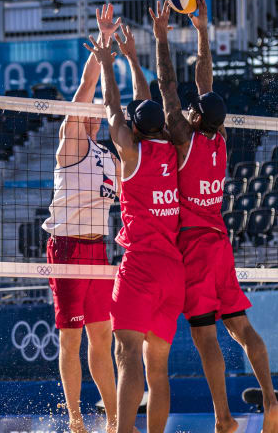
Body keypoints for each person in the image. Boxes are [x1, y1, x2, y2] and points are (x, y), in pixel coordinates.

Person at [151, 0, 278, 433]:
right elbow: (203, 85)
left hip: (194, 248)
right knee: (242, 328)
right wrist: (203, 31)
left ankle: (224, 418)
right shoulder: (219, 138)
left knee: (206, 336)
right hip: (220, 243)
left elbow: (169, 85)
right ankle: (268, 402)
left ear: (196, 117)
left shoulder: (184, 137)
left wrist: (162, 37)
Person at [83, 31, 184, 433]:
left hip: (141, 268)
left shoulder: (131, 152)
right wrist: (132, 59)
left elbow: (112, 108)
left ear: (135, 130)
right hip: (173, 272)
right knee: (157, 367)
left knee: (125, 356)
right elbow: (145, 107)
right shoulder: (174, 149)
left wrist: (108, 61)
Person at [40, 3, 122, 433]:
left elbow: (130, 198)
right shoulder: (71, 140)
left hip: (99, 252)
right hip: (68, 247)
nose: (95, 110)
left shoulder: (109, 157)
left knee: (101, 340)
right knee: (70, 339)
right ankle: (75, 420)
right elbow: (90, 84)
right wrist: (103, 40)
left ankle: (113, 421)